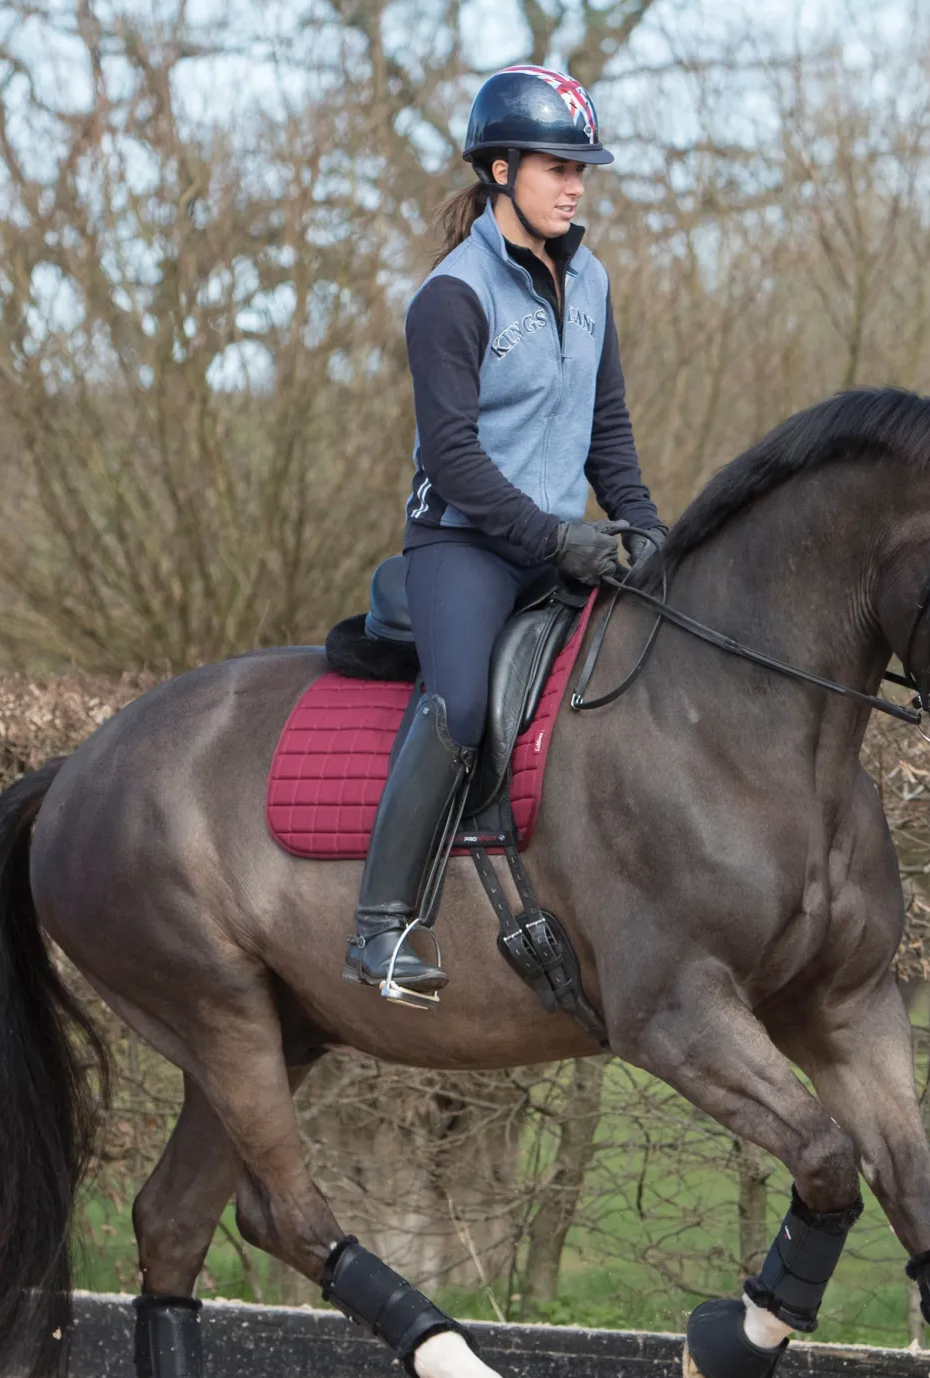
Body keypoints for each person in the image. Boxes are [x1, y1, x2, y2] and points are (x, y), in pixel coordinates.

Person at [344, 63, 666, 1004]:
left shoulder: (593, 281)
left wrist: (644, 526)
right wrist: (554, 540)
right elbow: (452, 459)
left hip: (556, 538)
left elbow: (607, 431)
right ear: (498, 170)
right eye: (556, 165)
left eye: (583, 169)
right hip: (464, 544)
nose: (575, 184)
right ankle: (381, 929)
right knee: (458, 706)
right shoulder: (452, 297)